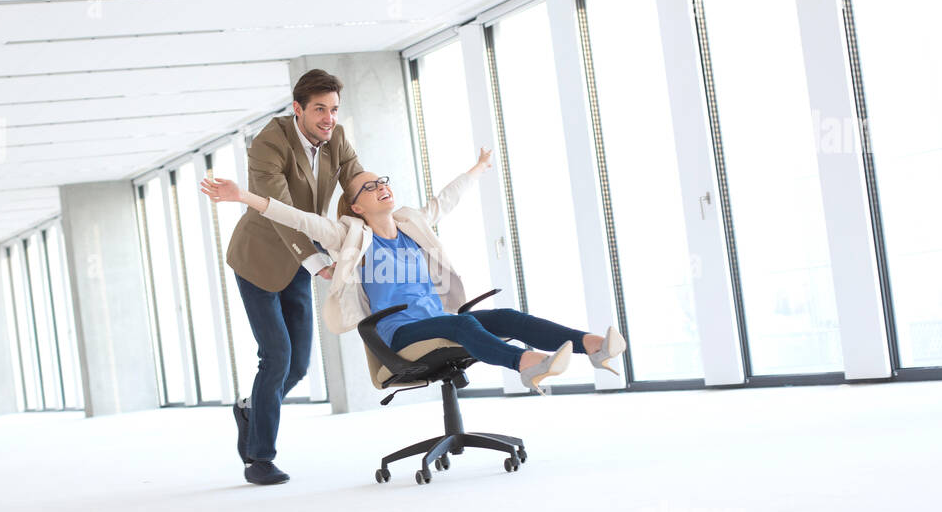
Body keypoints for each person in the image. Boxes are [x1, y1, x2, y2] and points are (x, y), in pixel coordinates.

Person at [202, 146, 627, 398]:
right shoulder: (348, 235)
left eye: (381, 181)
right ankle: (526, 364)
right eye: (368, 187)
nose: (380, 187)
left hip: (435, 321)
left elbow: (446, 200)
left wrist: (476, 170)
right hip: (398, 332)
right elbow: (298, 219)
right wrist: (246, 198)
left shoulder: (411, 225)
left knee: (508, 317)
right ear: (356, 207)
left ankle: (593, 347)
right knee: (462, 327)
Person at [223, 70, 366, 486]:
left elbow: (357, 179)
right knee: (277, 356)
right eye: (319, 109)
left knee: (298, 366)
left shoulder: (335, 138)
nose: (328, 118)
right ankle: (259, 458)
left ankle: (252, 409)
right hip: (259, 259)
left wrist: (383, 210)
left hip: (303, 262)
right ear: (298, 108)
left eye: (334, 109)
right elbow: (278, 209)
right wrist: (314, 260)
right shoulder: (268, 144)